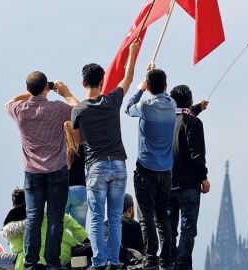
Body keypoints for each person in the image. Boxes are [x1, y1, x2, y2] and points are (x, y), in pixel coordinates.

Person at [71, 40, 140, 270]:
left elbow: (78, 141)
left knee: (97, 218)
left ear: (83, 82)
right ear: (102, 82)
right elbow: (128, 78)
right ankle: (113, 260)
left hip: (96, 166)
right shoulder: (112, 101)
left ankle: (99, 261)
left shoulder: (78, 110)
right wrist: (132, 52)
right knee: (116, 217)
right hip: (118, 165)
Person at [5, 72, 79, 270]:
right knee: (55, 217)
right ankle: (52, 263)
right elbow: (79, 109)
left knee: (33, 218)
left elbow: (9, 102)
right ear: (47, 87)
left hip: (32, 174)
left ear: (28, 89)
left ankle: (31, 263)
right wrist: (65, 92)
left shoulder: (20, 110)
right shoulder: (56, 108)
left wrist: (31, 92)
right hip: (57, 171)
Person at [126, 65, 176, 270]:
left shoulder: (145, 105)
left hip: (146, 170)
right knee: (162, 215)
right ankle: (166, 259)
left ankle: (151, 258)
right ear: (166, 85)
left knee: (146, 217)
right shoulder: (172, 104)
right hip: (166, 172)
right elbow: (160, 93)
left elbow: (128, 108)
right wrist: (149, 79)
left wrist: (139, 87)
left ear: (148, 88)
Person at [0, 189, 92, 270]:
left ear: (13, 205)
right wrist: (86, 241)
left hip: (35, 263)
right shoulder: (50, 210)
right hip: (64, 255)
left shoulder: (11, 225)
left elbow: (17, 249)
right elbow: (72, 224)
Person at [168, 85, 210, 270]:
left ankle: (168, 262)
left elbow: (181, 117)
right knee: (188, 229)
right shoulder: (194, 123)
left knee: (169, 228)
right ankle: (183, 265)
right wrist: (204, 178)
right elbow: (197, 155)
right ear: (190, 101)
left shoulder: (164, 121)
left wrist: (198, 109)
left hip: (167, 183)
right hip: (189, 186)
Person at [64, 121, 88, 227]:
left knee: (59, 230)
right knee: (80, 231)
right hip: (80, 189)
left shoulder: (58, 148)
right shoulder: (82, 145)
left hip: (62, 190)